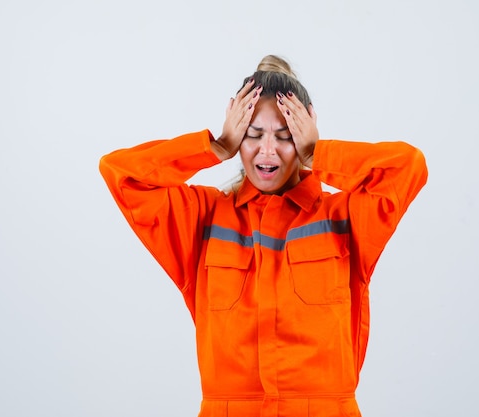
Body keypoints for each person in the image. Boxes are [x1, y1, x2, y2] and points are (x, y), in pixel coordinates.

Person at [99, 55, 428, 417]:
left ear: (304, 135)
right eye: (253, 135)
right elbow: (122, 174)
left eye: (285, 137)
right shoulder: (203, 219)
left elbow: (407, 167)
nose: (267, 151)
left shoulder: (344, 217)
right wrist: (215, 147)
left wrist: (319, 154)